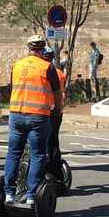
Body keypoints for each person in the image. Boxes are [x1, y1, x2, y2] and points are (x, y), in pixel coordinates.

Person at [4, 35, 63, 205]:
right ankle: (31, 196)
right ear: (42, 48)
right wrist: (57, 109)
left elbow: (11, 88)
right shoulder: (47, 67)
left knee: (13, 153)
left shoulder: (17, 65)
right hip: (38, 116)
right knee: (38, 155)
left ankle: (8, 193)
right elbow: (57, 92)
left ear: (28, 48)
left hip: (16, 114)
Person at [43, 46, 66, 179]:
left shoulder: (44, 71)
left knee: (42, 142)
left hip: (45, 111)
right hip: (56, 111)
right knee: (53, 142)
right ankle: (54, 170)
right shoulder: (60, 73)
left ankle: (45, 169)